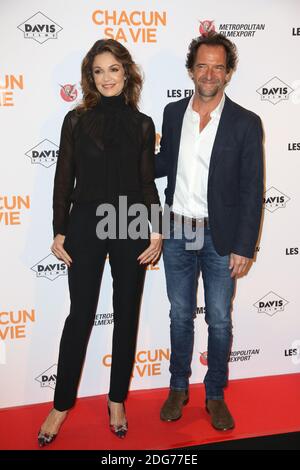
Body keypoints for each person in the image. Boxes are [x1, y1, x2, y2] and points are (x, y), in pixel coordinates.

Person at [38, 39, 162, 446]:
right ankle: (60, 405)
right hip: (86, 225)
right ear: (90, 78)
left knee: (126, 314)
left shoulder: (143, 125)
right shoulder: (75, 121)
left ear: (126, 72)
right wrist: (59, 228)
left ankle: (116, 400)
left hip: (130, 225)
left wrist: (156, 229)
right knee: (80, 316)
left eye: (113, 69)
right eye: (98, 71)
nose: (106, 77)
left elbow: (147, 183)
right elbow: (63, 178)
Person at [155, 32, 264, 430]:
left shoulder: (246, 123)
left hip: (221, 237)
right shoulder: (171, 113)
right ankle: (178, 387)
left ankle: (215, 394)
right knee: (180, 315)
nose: (210, 73)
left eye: (219, 66)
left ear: (229, 73)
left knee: (219, 319)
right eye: (203, 65)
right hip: (177, 233)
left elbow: (253, 188)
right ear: (190, 70)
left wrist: (244, 245)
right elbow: (161, 163)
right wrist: (121, 154)